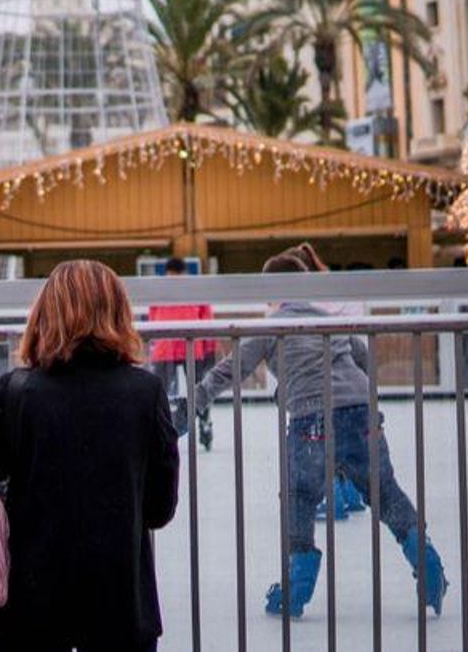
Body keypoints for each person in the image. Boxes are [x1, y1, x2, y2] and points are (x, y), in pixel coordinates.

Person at [184, 253, 447, 618]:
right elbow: (362, 357)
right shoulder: (328, 321)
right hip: (360, 413)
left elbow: (233, 368)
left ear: (272, 292)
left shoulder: (271, 326)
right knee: (385, 493)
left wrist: (193, 404)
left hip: (312, 419)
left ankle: (297, 586)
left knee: (300, 497)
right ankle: (426, 558)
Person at [0, 259, 179, 651]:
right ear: (118, 314)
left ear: (43, 314)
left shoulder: (17, 391)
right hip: (120, 602)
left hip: (31, 604)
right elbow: (160, 508)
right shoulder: (146, 392)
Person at [282, 242, 367, 520]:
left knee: (318, 438)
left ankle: (331, 497)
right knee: (347, 437)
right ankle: (352, 493)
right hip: (354, 372)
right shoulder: (338, 288)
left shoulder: (307, 299)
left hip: (319, 377)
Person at [146, 256, 215, 449]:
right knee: (199, 389)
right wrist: (209, 347)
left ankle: (162, 428)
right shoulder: (193, 287)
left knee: (160, 391)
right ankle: (204, 423)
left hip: (165, 347)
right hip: (190, 345)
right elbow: (207, 318)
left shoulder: (159, 288)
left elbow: (153, 317)